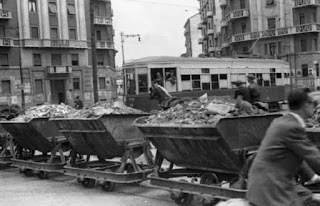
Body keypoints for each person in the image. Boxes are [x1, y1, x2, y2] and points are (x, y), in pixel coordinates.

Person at [247, 88, 320, 206]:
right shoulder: (292, 128)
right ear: (306, 105)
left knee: (307, 197)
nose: (315, 107)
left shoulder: (281, 121)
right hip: (272, 187)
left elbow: (296, 153)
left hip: (265, 183)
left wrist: (313, 176)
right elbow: (314, 156)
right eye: (314, 103)